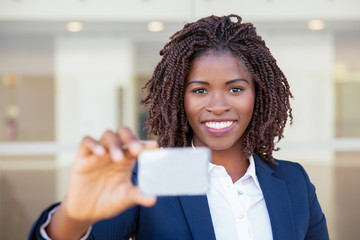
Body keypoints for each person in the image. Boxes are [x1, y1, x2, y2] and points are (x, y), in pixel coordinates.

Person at [29, 14, 329, 240]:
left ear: (258, 95)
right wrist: (73, 215)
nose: (218, 105)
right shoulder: (158, 174)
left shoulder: (293, 181)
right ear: (178, 99)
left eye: (236, 89)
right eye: (199, 90)